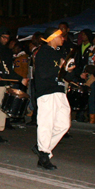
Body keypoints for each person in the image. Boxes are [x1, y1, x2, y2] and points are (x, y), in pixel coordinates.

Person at [31, 27, 75, 170]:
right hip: (46, 91)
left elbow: (66, 76)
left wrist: (70, 71)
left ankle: (42, 148)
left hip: (59, 90)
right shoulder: (43, 52)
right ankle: (44, 154)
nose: (63, 38)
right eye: (60, 36)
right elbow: (43, 73)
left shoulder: (60, 53)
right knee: (46, 124)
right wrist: (61, 67)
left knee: (64, 124)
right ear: (53, 38)